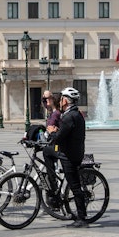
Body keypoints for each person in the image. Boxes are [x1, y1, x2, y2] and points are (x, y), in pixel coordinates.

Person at [47, 87, 88, 228]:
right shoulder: (75, 114)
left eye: (61, 99)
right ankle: (54, 181)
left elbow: (59, 137)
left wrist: (52, 132)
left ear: (65, 101)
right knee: (47, 152)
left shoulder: (69, 116)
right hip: (73, 152)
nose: (59, 101)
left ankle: (82, 218)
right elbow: (66, 133)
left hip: (70, 155)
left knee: (75, 187)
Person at [43, 91, 62, 207]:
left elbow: (51, 128)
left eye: (49, 98)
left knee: (47, 154)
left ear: (54, 100)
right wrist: (44, 96)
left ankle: (54, 190)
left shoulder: (56, 114)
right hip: (52, 142)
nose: (47, 100)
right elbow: (45, 104)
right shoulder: (52, 112)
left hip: (56, 144)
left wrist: (50, 132)